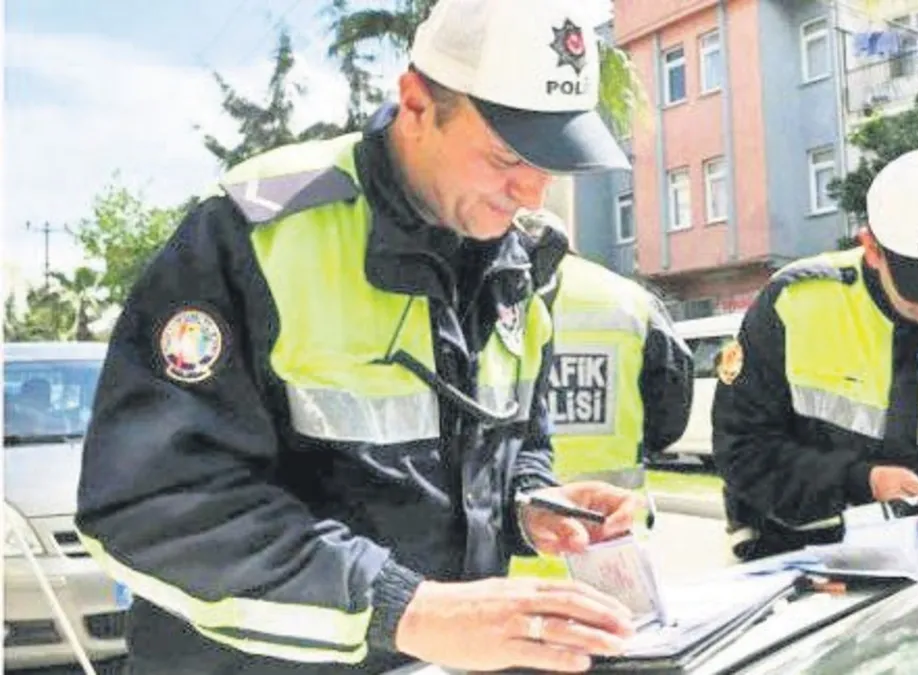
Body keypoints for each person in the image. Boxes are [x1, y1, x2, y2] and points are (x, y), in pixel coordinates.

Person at [73, 1, 647, 673]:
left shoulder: (516, 259)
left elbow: (515, 442)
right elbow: (154, 502)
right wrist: (406, 609)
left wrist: (531, 502)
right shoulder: (257, 232)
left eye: (551, 162)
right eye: (506, 155)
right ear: (416, 104)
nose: (532, 192)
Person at [712, 149, 918, 562]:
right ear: (872, 248)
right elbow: (741, 450)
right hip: (791, 559)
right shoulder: (795, 305)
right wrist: (860, 481)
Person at [515, 209, 695, 492]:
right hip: (612, 505)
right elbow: (672, 402)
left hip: (521, 500)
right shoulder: (632, 299)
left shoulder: (492, 293)